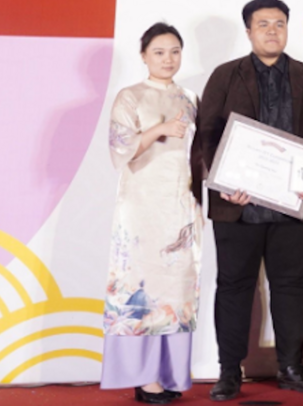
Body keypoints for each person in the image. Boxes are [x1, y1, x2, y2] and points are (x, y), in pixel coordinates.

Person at [192, 0, 303, 401]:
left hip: (293, 204)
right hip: (236, 205)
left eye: (279, 24)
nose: (272, 31)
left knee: (291, 287)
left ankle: (291, 367)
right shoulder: (225, 75)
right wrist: (220, 181)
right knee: (233, 287)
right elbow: (206, 134)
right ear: (249, 31)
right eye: (263, 24)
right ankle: (229, 372)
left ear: (287, 29)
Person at [101, 23, 201, 404]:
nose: (168, 59)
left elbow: (200, 152)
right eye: (159, 52)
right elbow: (120, 150)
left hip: (180, 205)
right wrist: (159, 128)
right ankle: (143, 378)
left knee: (177, 288)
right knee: (141, 286)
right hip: (142, 206)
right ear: (144, 55)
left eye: (175, 51)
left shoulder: (190, 98)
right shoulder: (130, 96)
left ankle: (169, 373)